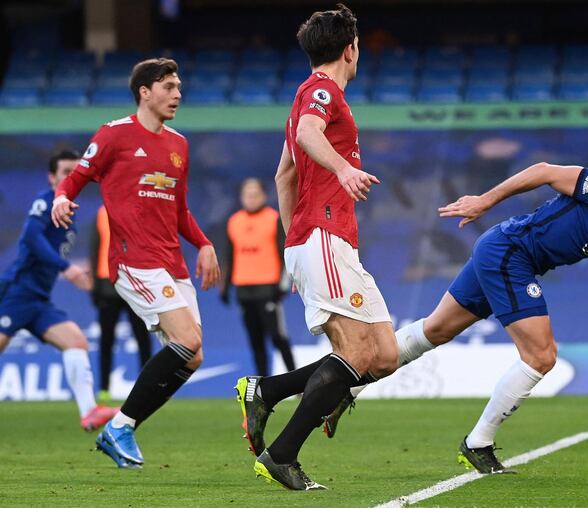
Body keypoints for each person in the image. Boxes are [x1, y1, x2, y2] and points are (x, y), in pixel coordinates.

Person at [323, 164, 588, 474]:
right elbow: (544, 171)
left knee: (435, 330)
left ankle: (348, 387)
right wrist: (484, 201)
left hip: (503, 250)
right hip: (513, 254)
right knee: (542, 356)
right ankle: (478, 444)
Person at [234, 4, 398, 490]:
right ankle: (282, 455)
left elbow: (283, 174)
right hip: (324, 237)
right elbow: (307, 135)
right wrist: (344, 171)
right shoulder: (322, 91)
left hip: (321, 238)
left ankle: (270, 390)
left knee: (384, 354)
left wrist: (292, 239)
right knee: (353, 354)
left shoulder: (304, 96)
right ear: (351, 49)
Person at [51, 58, 221, 469]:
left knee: (193, 356)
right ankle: (121, 427)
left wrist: (203, 243)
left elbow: (179, 209)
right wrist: (62, 198)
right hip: (134, 260)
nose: (177, 93)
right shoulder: (115, 134)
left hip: (172, 262)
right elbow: (77, 177)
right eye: (169, 86)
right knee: (189, 340)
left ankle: (122, 426)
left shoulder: (179, 145)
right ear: (145, 92)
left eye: (179, 86)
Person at [0, 150, 118, 431]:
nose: (71, 178)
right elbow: (30, 235)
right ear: (52, 177)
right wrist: (66, 267)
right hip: (18, 293)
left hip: (39, 299)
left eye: (76, 173)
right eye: (65, 172)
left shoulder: (68, 211)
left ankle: (89, 411)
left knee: (76, 342)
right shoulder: (45, 201)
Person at [222, 178, 296, 376]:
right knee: (255, 341)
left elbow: (285, 254)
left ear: (263, 196)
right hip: (244, 291)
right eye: (247, 194)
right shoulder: (234, 221)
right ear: (241, 197)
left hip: (268, 289)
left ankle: (296, 384)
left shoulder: (273, 219)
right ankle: (261, 386)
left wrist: (282, 286)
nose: (251, 198)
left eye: (255, 194)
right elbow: (230, 255)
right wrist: (225, 287)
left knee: (278, 337)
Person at [90, 205, 153, 401]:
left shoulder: (140, 209)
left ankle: (148, 388)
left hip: (135, 284)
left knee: (142, 337)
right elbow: (95, 249)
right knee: (106, 340)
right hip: (108, 285)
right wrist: (94, 286)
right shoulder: (101, 213)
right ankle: (104, 389)